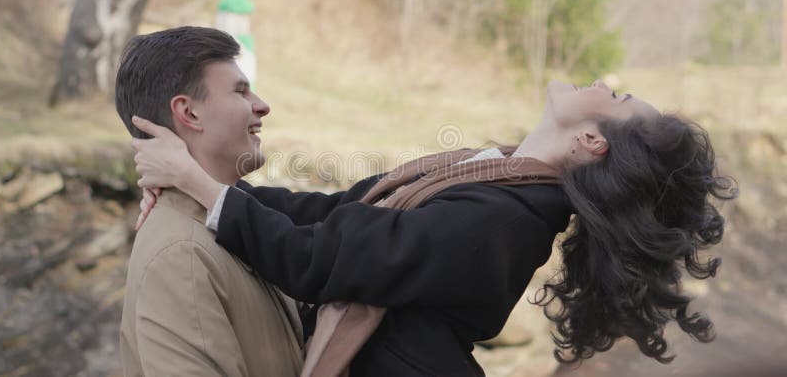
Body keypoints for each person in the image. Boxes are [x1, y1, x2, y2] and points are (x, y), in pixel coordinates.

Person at [131, 77, 737, 376]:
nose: (604, 81)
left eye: (619, 95)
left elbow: (318, 261)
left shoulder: (499, 224)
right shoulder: (494, 177)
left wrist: (199, 186)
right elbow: (342, 212)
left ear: (590, 141)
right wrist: (199, 188)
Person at [116, 26, 304, 376]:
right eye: (240, 91)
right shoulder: (182, 254)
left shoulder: (228, 226)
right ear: (189, 113)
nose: (262, 106)